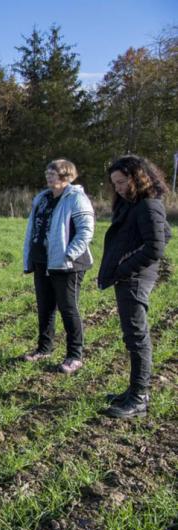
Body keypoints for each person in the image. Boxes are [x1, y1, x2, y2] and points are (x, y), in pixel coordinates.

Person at [98, 155, 171, 419]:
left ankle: (139, 398)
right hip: (127, 277)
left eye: (120, 182)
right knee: (133, 338)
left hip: (134, 279)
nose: (116, 188)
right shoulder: (135, 205)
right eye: (114, 183)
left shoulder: (148, 205)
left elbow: (156, 248)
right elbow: (165, 233)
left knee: (137, 339)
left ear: (136, 178)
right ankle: (133, 391)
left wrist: (125, 266)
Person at [22, 159, 94, 374]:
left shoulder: (77, 198)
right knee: (45, 308)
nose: (48, 176)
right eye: (47, 172)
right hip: (42, 261)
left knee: (68, 308)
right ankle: (44, 348)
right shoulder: (42, 198)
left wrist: (68, 254)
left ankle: (75, 355)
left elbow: (85, 232)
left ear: (66, 176)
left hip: (67, 265)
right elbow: (32, 228)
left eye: (53, 172)